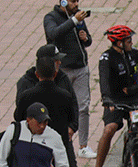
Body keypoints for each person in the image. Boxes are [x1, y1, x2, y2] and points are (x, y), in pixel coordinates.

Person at [14, 55, 80, 167]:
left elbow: (18, 118)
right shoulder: (64, 95)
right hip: (58, 145)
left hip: (33, 146)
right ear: (55, 72)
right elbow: (72, 116)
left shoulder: (27, 96)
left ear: (37, 74)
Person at [89, 25, 138, 167]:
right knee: (109, 129)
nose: (131, 43)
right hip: (115, 101)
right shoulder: (107, 58)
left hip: (134, 98)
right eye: (128, 40)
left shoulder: (134, 54)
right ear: (119, 43)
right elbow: (104, 80)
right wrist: (106, 99)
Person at [43, 0, 92, 156]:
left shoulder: (78, 17)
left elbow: (88, 40)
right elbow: (53, 34)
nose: (76, 4)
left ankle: (83, 146)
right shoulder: (51, 17)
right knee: (61, 107)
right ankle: (61, 142)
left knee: (83, 107)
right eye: (72, 1)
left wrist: (86, 38)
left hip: (80, 68)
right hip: (62, 70)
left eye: (77, 0)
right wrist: (74, 21)